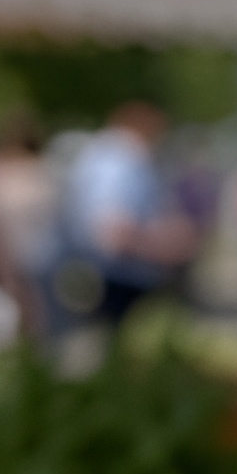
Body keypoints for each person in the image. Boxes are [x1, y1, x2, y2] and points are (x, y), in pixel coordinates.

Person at [65, 102, 196, 325]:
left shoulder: (102, 155)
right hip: (120, 281)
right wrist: (168, 248)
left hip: (108, 276)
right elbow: (113, 231)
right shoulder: (122, 161)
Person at [0, 112, 61, 335]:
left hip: (2, 257)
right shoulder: (41, 171)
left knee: (6, 329)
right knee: (44, 327)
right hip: (41, 259)